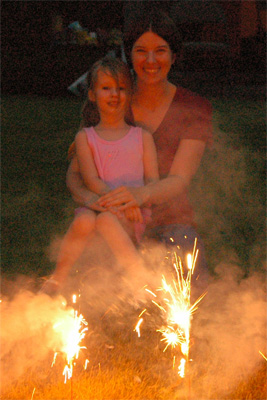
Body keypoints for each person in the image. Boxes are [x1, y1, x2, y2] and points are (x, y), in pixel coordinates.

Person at [66, 9, 213, 289]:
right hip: (112, 223)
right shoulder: (112, 97)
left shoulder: (194, 108)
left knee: (186, 294)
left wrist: (140, 195)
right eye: (140, 50)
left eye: (160, 50)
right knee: (100, 301)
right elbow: (74, 175)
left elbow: (180, 179)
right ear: (128, 53)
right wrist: (88, 198)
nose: (150, 60)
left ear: (174, 55)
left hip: (171, 223)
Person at [42, 56, 159, 295]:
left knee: (105, 219)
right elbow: (92, 180)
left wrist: (133, 200)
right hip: (99, 206)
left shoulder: (142, 137)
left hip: (133, 214)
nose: (114, 94)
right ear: (93, 95)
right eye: (106, 88)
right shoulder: (86, 138)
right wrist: (114, 202)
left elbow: (153, 182)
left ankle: (140, 278)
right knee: (87, 219)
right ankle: (57, 279)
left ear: (130, 94)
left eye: (121, 88)